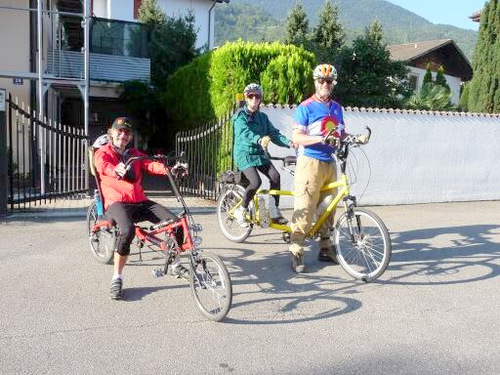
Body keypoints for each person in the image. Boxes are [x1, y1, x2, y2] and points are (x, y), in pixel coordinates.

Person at [94, 117, 187, 300]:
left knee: (177, 224)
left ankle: (175, 264)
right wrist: (115, 170)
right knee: (127, 231)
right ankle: (117, 278)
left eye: (127, 132)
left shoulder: (133, 153)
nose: (123, 135)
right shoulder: (103, 152)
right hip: (117, 203)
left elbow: (149, 163)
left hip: (139, 201)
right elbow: (102, 166)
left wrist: (170, 169)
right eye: (119, 131)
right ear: (111, 132)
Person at [288, 64, 347, 273]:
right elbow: (297, 137)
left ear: (333, 84)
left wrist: (354, 138)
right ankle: (296, 249)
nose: (325, 84)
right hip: (310, 162)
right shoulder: (306, 107)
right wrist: (320, 138)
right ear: (315, 82)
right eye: (321, 81)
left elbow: (340, 134)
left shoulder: (337, 108)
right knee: (306, 205)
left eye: (329, 81)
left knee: (329, 207)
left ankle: (325, 247)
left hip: (329, 163)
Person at [232, 83, 295, 227]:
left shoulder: (263, 117)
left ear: (260, 99)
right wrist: (259, 139)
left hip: (259, 154)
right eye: (250, 96)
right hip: (244, 154)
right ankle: (241, 210)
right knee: (256, 182)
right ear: (246, 99)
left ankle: (273, 211)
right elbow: (244, 133)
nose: (254, 99)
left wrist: (290, 143)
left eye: (257, 96)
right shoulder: (240, 116)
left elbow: (274, 134)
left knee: (275, 176)